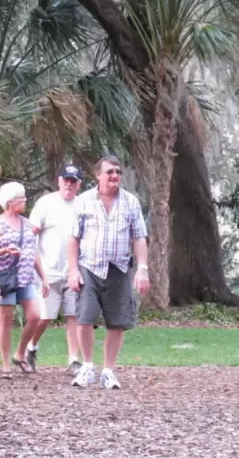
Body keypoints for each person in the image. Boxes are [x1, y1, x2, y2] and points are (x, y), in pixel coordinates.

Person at [68, 155, 150, 390]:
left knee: (117, 322)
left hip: (119, 268)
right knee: (85, 317)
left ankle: (108, 371)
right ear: (98, 175)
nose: (114, 176)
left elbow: (139, 237)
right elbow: (73, 239)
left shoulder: (131, 202)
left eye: (118, 172)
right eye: (109, 172)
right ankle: (87, 367)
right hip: (89, 267)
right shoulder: (83, 201)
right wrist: (73, 271)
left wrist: (142, 269)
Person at [26, 164, 83, 375]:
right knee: (45, 317)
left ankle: (73, 360)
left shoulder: (83, 205)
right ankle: (31, 348)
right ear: (59, 181)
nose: (69, 184)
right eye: (66, 180)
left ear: (79, 184)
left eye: (73, 181)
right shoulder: (46, 203)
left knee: (73, 316)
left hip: (73, 271)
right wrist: (34, 267)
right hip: (47, 271)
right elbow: (32, 234)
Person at [0, 181, 50, 379]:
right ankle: (6, 364)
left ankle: (20, 353)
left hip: (25, 278)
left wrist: (44, 279)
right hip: (6, 278)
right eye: (20, 198)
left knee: (35, 316)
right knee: (5, 320)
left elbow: (34, 254)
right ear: (9, 202)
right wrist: (5, 250)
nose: (24, 201)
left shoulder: (28, 224)